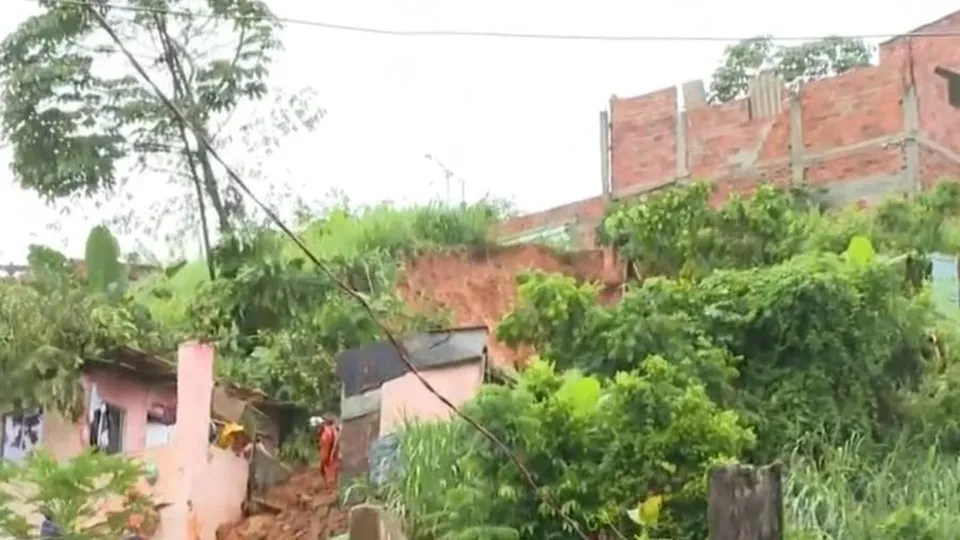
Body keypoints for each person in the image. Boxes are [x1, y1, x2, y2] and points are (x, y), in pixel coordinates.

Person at [316, 413, 340, 486]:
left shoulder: (332, 429)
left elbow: (336, 440)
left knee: (331, 465)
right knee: (325, 466)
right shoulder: (325, 430)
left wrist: (333, 450)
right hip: (327, 449)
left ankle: (332, 482)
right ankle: (328, 481)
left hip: (331, 449)